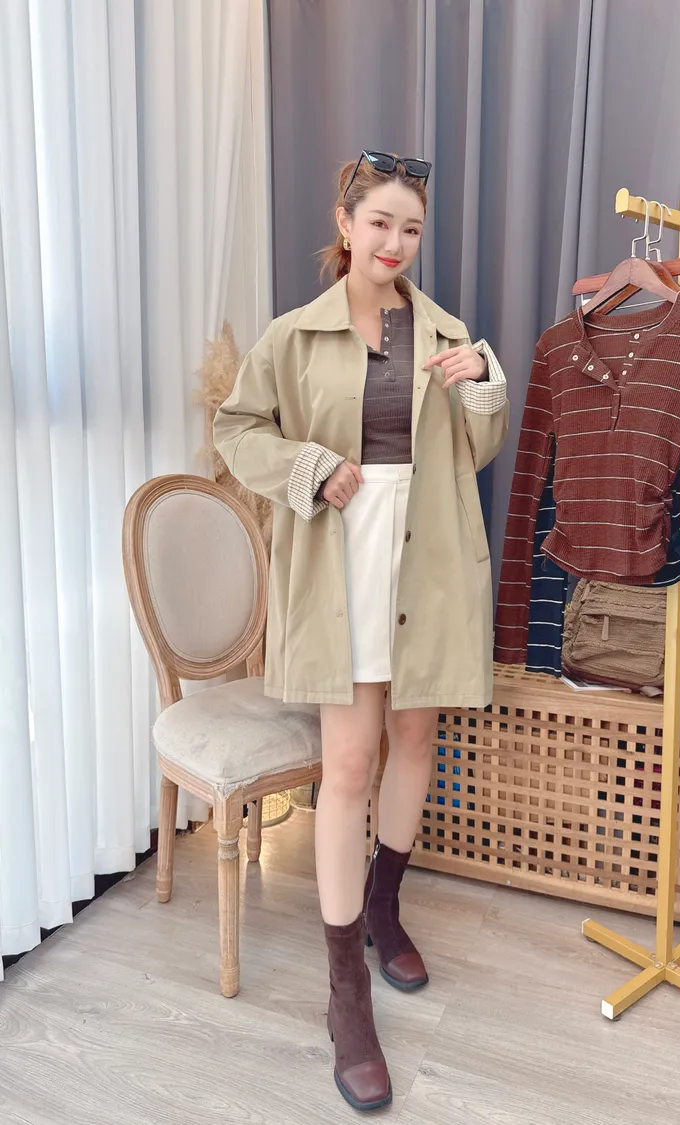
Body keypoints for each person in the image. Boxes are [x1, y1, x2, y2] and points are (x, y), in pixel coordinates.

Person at [213, 150, 509, 1113]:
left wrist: (483, 381)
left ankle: (385, 905)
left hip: (426, 553)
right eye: (380, 222)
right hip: (343, 553)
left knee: (415, 737)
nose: (396, 242)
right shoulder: (293, 335)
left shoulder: (448, 332)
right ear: (345, 224)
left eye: (411, 228)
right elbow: (236, 429)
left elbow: (479, 448)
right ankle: (346, 990)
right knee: (348, 764)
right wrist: (308, 466)